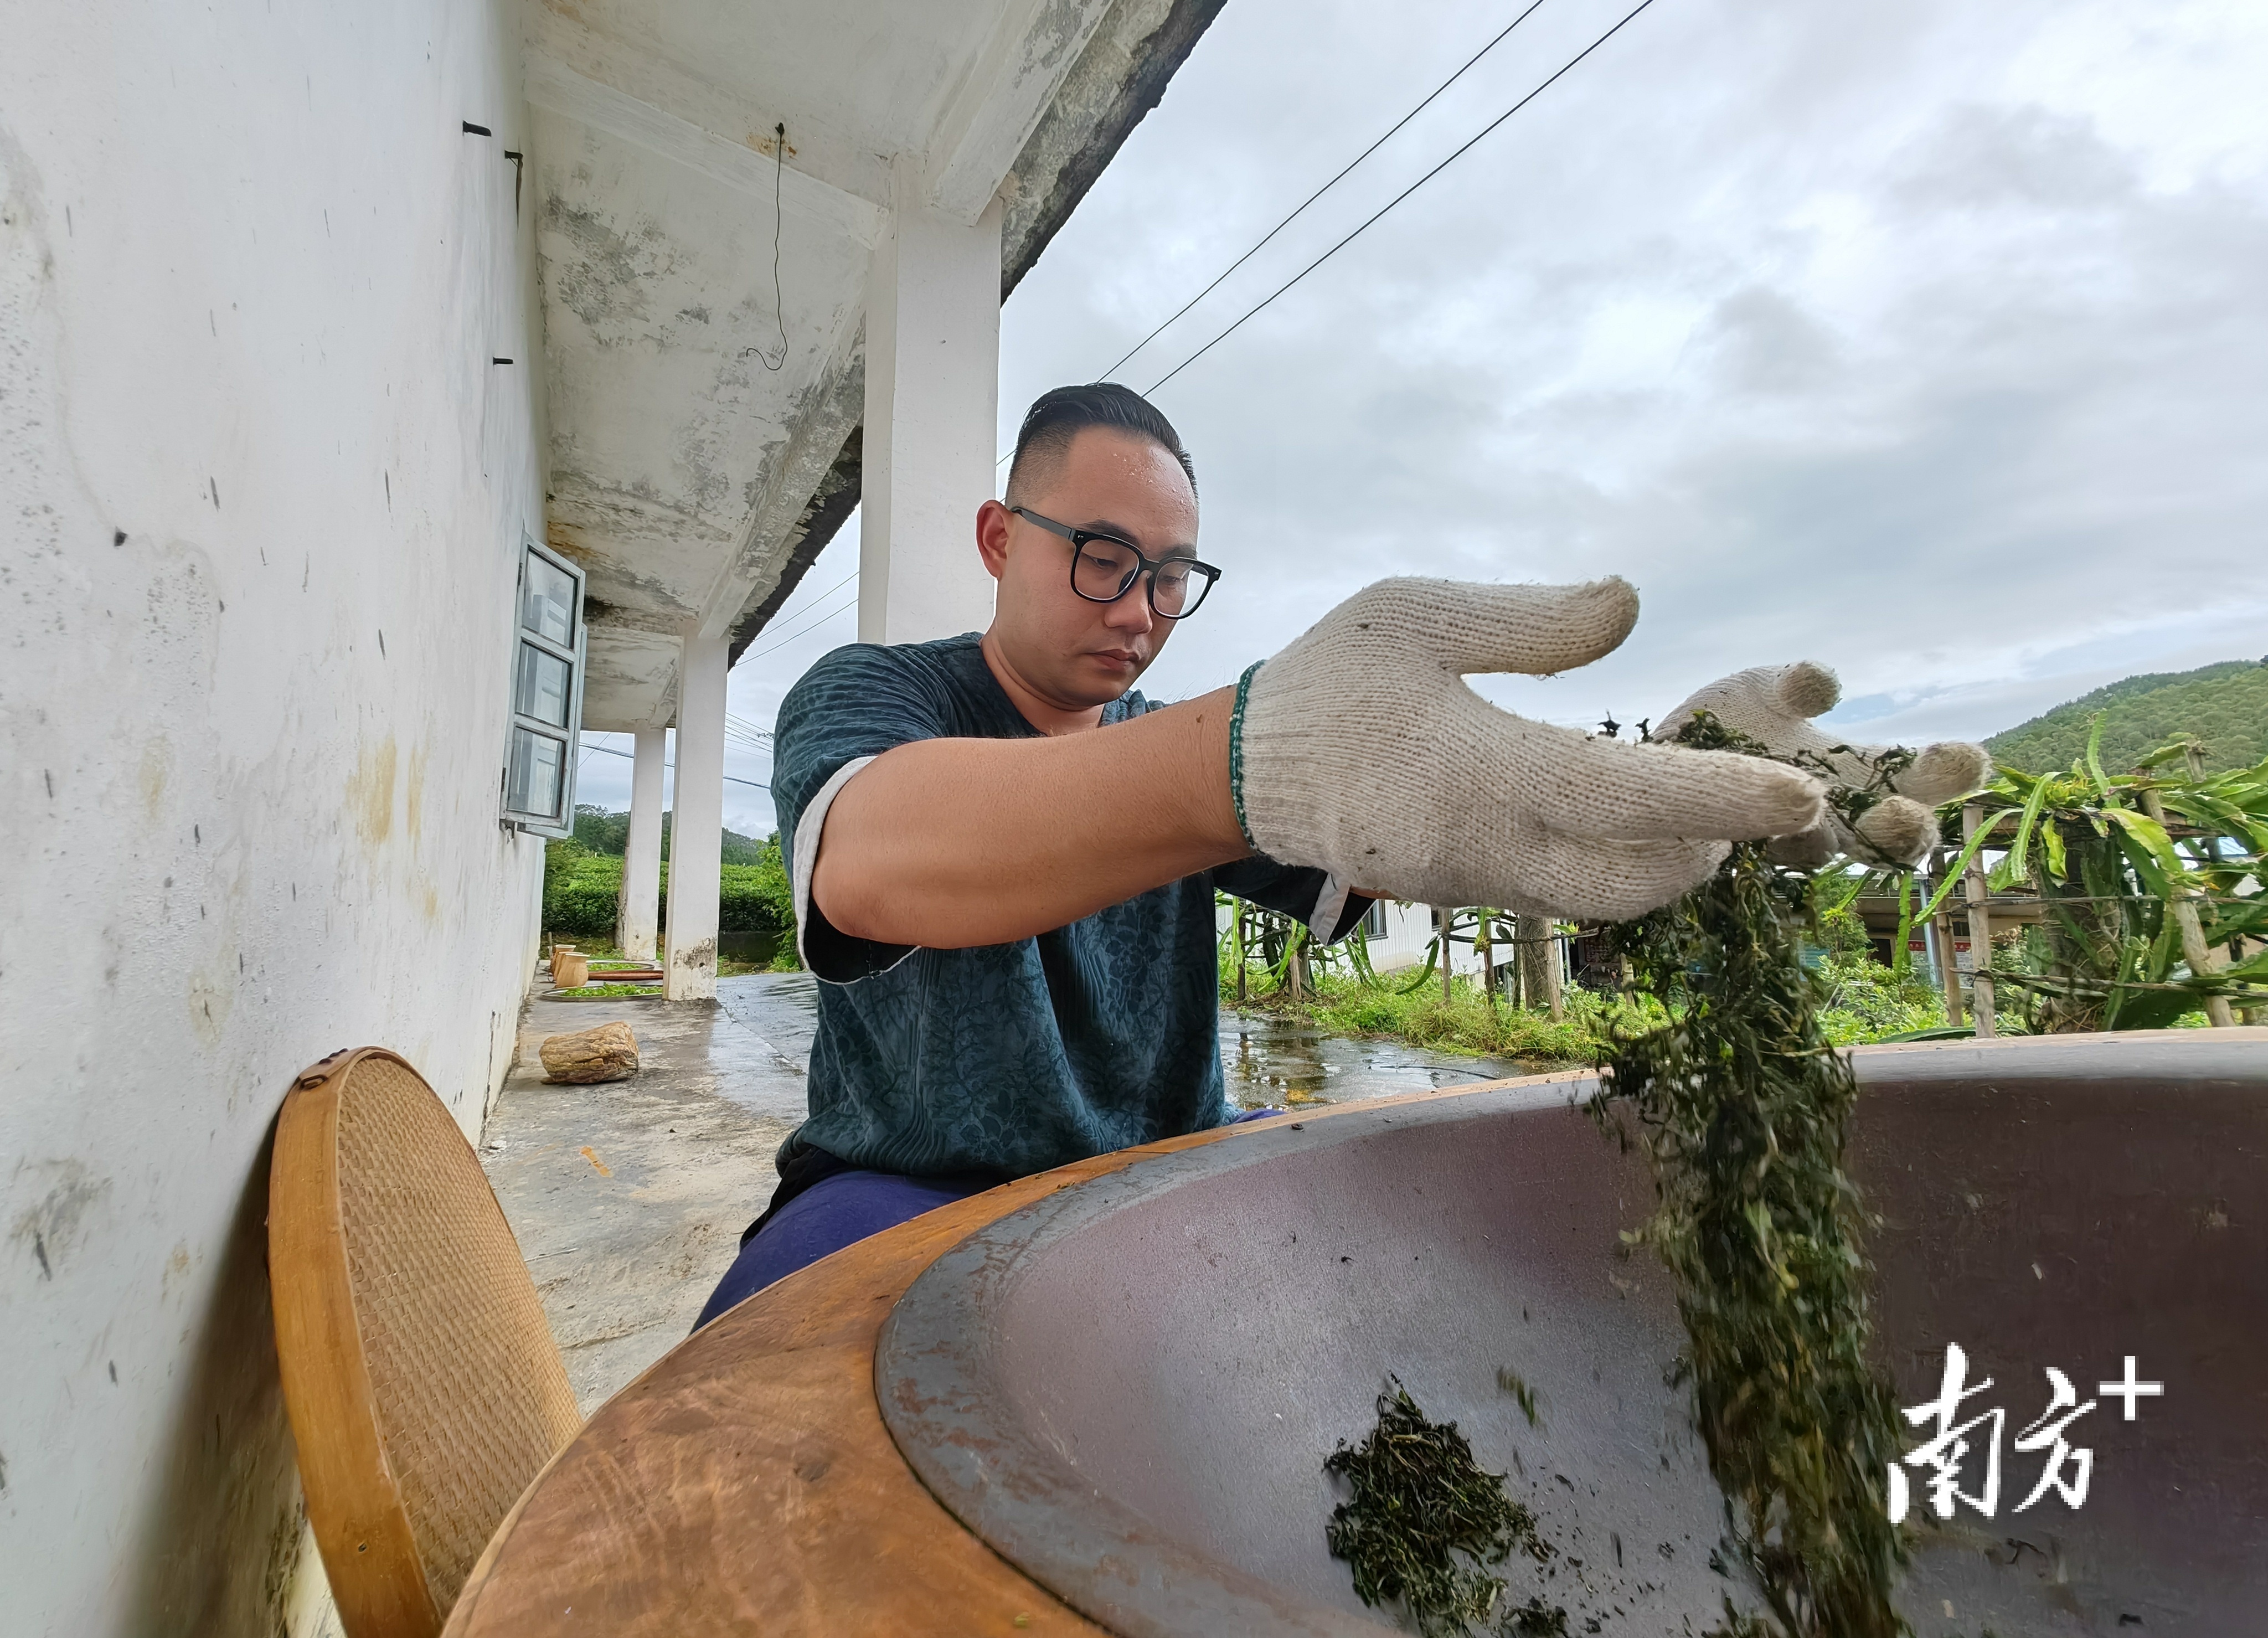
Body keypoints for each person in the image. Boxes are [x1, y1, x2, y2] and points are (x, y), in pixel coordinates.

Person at [691, 383, 1982, 1328]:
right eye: (1101, 559)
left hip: (1164, 1170)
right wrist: (1246, 755)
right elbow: (870, 862)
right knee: (760, 1377)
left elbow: (1411, 826)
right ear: (997, 539)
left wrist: (1667, 776)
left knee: (1438, 1277)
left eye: (1171, 577)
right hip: (906, 1183)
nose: (1138, 611)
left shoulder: (1177, 743)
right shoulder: (872, 696)